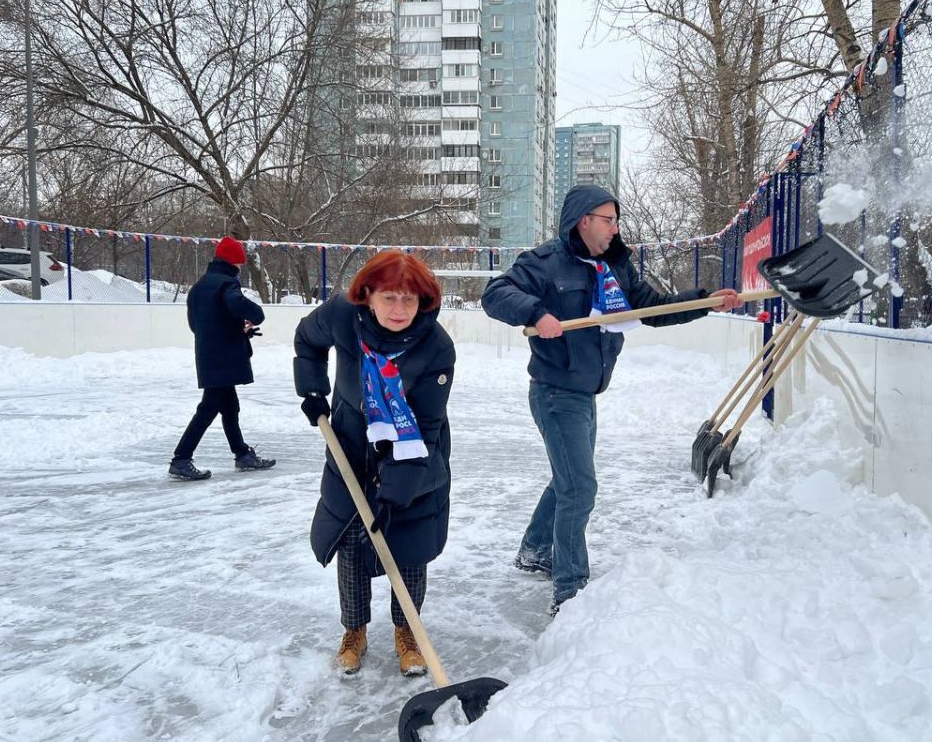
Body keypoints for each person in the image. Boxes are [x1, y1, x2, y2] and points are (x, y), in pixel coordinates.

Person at [482, 184, 741, 615]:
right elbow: (495, 292)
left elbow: (653, 309)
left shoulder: (615, 267)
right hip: (554, 391)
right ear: (584, 220)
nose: (615, 228)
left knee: (567, 479)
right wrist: (537, 313)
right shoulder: (545, 263)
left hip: (586, 393)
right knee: (579, 488)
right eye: (608, 220)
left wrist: (705, 302)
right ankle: (570, 592)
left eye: (616, 220)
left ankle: (535, 549)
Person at [293, 250, 454, 676]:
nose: (399, 309)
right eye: (389, 298)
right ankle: (354, 630)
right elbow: (307, 341)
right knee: (351, 543)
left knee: (408, 544)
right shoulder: (342, 316)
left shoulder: (436, 348)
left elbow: (429, 424)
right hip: (350, 443)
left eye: (409, 299)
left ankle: (407, 631)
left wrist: (397, 490)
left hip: (415, 450)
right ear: (368, 295)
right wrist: (312, 391)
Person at [168, 236, 276, 480]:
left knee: (230, 407)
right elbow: (237, 304)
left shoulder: (199, 287)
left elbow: (197, 324)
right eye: (240, 263)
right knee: (208, 408)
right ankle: (181, 458)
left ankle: (242, 454)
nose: (240, 268)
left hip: (209, 355)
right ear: (233, 263)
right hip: (224, 358)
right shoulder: (228, 284)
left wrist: (235, 330)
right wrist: (255, 315)